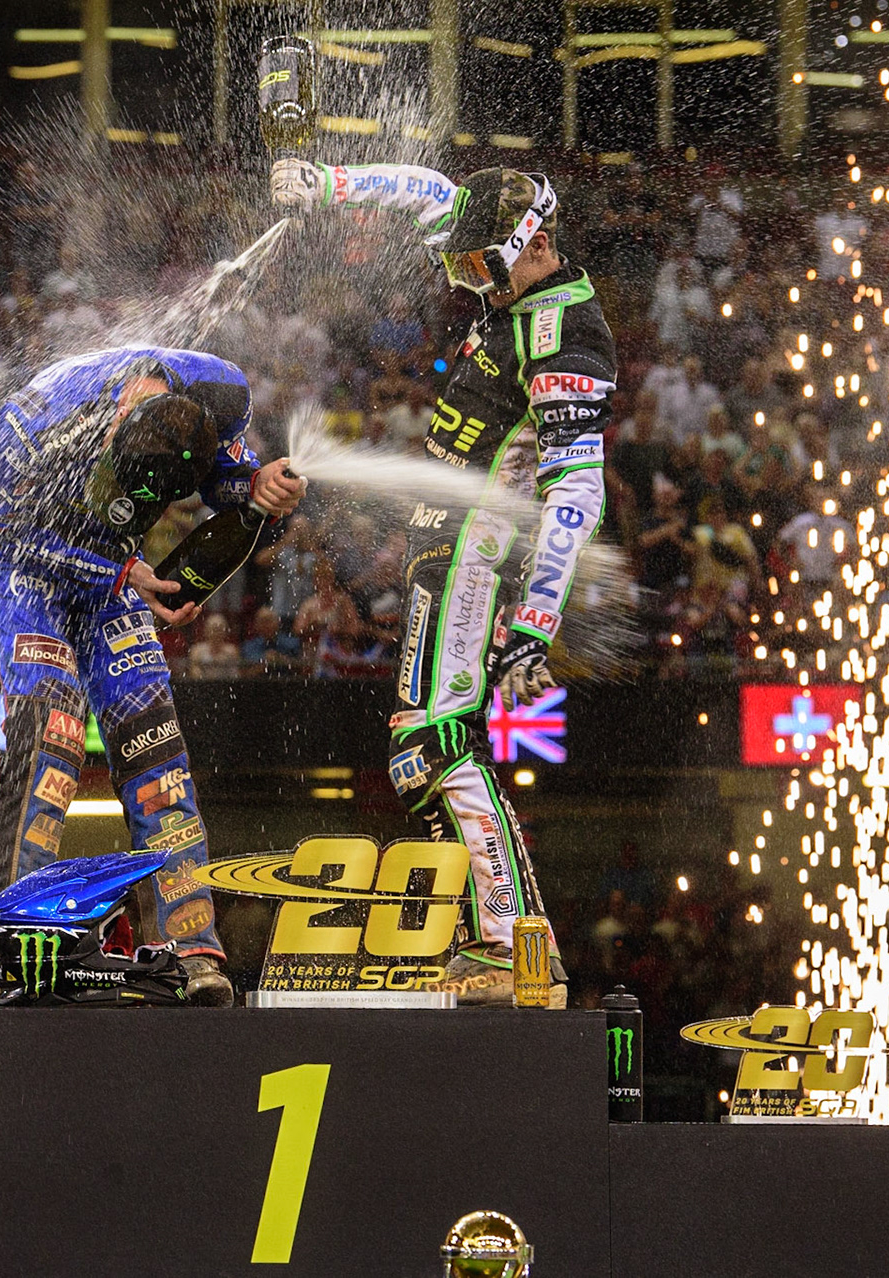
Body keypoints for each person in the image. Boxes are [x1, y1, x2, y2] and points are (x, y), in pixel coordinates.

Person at [275, 159, 615, 1006]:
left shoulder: (564, 329)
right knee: (417, 746)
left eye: (481, 269)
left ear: (532, 243)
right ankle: (498, 937)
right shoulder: (490, 255)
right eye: (458, 268)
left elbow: (578, 488)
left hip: (479, 551)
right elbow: (424, 190)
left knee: (429, 743)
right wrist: (325, 185)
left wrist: (536, 620)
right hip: (443, 549)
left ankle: (506, 942)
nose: (469, 285)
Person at [0, 346, 307, 1005]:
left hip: (118, 571)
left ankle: (194, 955)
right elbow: (1, 523)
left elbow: (228, 482)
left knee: (160, 764)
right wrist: (123, 572)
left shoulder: (221, 391)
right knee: (53, 741)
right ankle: (3, 953)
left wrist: (261, 488)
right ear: (124, 400)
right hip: (29, 571)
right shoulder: (39, 418)